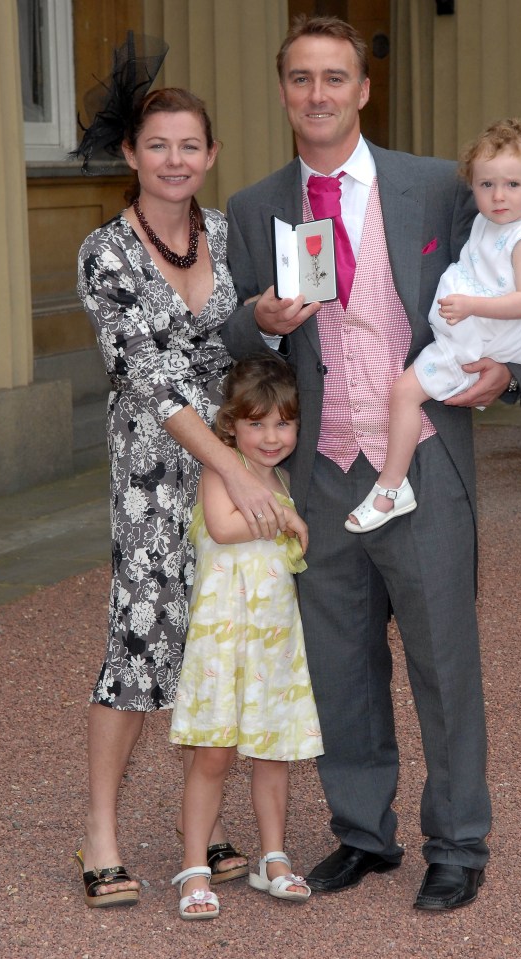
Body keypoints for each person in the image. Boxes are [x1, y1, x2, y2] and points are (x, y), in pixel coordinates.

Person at [222, 15, 521, 911]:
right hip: (320, 465)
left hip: (422, 457)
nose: (317, 95)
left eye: (334, 78)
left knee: (443, 661)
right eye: (300, 78)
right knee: (339, 662)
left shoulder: (435, 187)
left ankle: (458, 842)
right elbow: (237, 345)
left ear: (362, 90)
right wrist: (260, 322)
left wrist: (508, 369)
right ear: (282, 90)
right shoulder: (253, 206)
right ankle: (362, 831)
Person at [73, 43, 286, 908]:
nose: (174, 160)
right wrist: (233, 467)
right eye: (157, 145)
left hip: (230, 461)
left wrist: (265, 321)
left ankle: (200, 825)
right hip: (157, 472)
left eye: (189, 146)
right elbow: (152, 378)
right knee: (138, 643)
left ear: (211, 155)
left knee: (215, 637)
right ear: (131, 154)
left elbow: (243, 352)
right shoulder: (105, 253)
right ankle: (101, 834)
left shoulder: (230, 234)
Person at [347, 118, 521, 532]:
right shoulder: (487, 221)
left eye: (513, 185)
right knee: (406, 393)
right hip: (470, 323)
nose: (498, 196)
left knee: (404, 393)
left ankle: (390, 490)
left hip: (483, 330)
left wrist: (469, 305)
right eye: (486, 185)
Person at [168, 355, 322, 919]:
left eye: (283, 423)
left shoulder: (280, 478)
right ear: (230, 425)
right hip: (222, 642)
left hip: (271, 641)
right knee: (214, 753)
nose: (271, 436)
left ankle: (273, 857)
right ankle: (194, 866)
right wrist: (286, 519)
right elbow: (223, 527)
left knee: (273, 751)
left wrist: (288, 515)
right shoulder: (224, 470)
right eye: (256, 423)